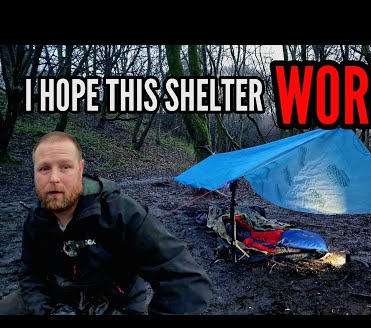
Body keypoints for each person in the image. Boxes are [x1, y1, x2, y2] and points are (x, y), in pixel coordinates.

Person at [0, 131, 213, 315]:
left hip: (115, 303)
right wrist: (45, 311)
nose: (54, 178)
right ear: (34, 174)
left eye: (65, 167)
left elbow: (187, 281)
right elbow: (30, 274)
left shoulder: (118, 211)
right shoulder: (36, 219)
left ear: (81, 169)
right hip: (58, 299)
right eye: (44, 169)